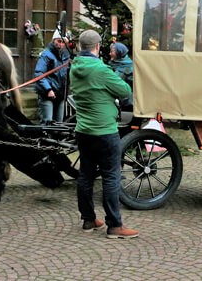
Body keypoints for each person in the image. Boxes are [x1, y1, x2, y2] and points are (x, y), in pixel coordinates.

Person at [70, 30, 138, 239]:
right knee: (111, 176)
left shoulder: (75, 68)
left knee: (86, 175)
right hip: (104, 131)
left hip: (83, 130)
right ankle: (115, 225)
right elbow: (124, 90)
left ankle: (89, 219)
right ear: (97, 46)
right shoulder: (100, 69)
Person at [34, 29, 70, 123]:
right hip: (47, 94)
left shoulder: (66, 55)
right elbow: (39, 73)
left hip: (61, 94)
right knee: (48, 122)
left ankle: (57, 137)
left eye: (63, 42)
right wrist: (48, 89)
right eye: (59, 41)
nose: (61, 44)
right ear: (53, 40)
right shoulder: (46, 55)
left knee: (59, 123)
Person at [107, 42, 133, 111]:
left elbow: (113, 83)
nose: (110, 54)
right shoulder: (118, 63)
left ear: (119, 53)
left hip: (127, 104)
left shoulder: (125, 68)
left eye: (112, 52)